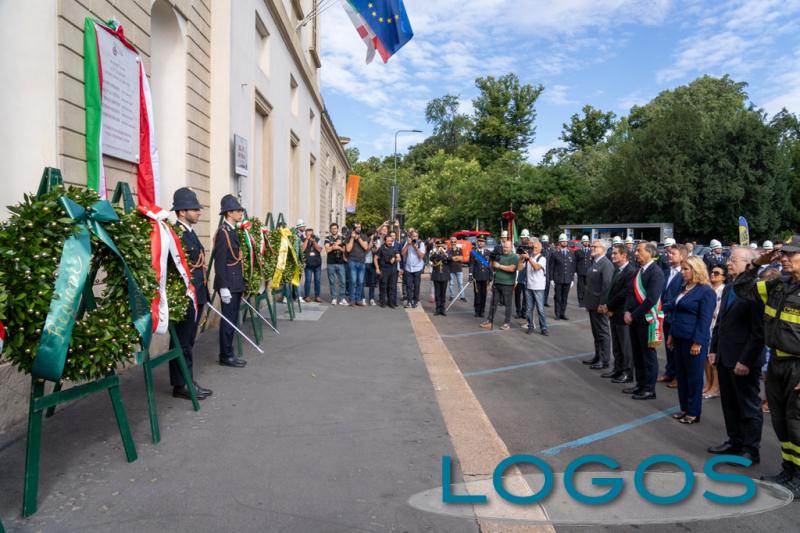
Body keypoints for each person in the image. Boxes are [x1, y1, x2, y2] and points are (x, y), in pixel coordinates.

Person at [734, 236, 800, 496]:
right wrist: (757, 262)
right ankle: (789, 471)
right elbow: (742, 289)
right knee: (781, 422)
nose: (783, 258)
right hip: (777, 362)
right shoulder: (778, 285)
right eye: (781, 254)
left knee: (796, 423)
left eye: (790, 254)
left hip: (798, 365)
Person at [707, 248, 764, 463]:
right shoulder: (731, 287)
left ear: (749, 264)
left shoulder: (756, 290)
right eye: (729, 259)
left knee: (748, 405)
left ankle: (750, 449)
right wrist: (714, 349)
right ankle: (734, 441)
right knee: (729, 403)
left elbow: (758, 332)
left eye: (733, 260)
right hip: (725, 356)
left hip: (743, 360)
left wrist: (746, 360)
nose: (728, 263)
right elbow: (721, 322)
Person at [169, 187, 212, 400]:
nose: (199, 212)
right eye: (194, 209)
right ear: (182, 211)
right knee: (182, 341)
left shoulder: (189, 231)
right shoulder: (176, 232)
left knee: (188, 341)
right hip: (187, 295)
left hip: (198, 293)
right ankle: (182, 384)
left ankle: (185, 379)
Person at [667, 256, 716, 423]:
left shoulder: (706, 291)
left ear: (696, 270)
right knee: (682, 375)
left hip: (693, 341)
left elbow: (705, 319)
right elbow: (674, 309)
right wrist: (672, 334)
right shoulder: (684, 287)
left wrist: (698, 342)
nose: (682, 272)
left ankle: (693, 412)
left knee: (694, 378)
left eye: (686, 269)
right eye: (682, 269)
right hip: (679, 337)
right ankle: (684, 408)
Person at [623, 242, 665, 400]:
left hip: (646, 320)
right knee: (637, 354)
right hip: (634, 319)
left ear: (649, 253)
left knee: (648, 356)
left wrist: (634, 315)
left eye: (639, 251)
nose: (635, 253)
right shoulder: (639, 271)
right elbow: (631, 293)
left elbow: (651, 299)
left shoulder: (656, 272)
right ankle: (640, 384)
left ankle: (649, 388)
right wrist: (627, 310)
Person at [213, 194, 247, 368]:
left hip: (236, 282)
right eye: (237, 210)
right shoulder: (223, 232)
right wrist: (223, 286)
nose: (241, 212)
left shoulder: (232, 231)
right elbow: (220, 262)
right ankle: (226, 355)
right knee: (228, 320)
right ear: (228, 213)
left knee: (232, 319)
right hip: (229, 284)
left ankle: (228, 352)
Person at [600, 244, 636, 383]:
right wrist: (607, 306)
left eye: (615, 253)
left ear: (624, 255)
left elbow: (624, 294)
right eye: (612, 253)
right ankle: (618, 369)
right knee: (617, 344)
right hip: (614, 312)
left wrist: (609, 306)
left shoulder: (630, 271)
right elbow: (611, 290)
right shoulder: (618, 270)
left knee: (625, 345)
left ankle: (627, 372)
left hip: (622, 313)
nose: (612, 255)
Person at [658, 243, 687, 388]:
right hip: (666, 315)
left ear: (682, 256)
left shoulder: (684, 274)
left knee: (677, 348)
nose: (669, 255)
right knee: (669, 346)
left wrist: (666, 306)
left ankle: (678, 376)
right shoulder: (667, 271)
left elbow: (680, 295)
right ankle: (669, 372)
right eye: (669, 253)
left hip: (676, 315)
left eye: (673, 254)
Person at [582, 239, 614, 369]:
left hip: (599, 305)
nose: (592, 248)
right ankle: (598, 356)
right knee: (596, 332)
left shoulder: (606, 264)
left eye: (596, 246)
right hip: (592, 303)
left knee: (602, 332)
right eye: (592, 246)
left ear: (604, 249)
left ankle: (604, 359)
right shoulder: (595, 262)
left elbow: (607, 286)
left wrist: (603, 304)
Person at [481, 240, 518, 330]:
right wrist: (491, 260)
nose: (505, 249)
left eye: (507, 247)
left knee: (508, 304)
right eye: (504, 247)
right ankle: (490, 320)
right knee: (493, 303)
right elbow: (492, 267)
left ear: (511, 248)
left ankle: (507, 323)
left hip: (508, 284)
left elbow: (512, 269)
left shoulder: (514, 257)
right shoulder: (499, 256)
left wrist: (499, 266)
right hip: (497, 282)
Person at [704, 262, 727, 398]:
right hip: (706, 326)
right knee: (705, 359)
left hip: (716, 328)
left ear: (723, 277)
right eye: (712, 272)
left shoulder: (724, 290)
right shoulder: (708, 288)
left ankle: (715, 387)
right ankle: (708, 384)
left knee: (713, 359)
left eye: (717, 273)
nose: (713, 274)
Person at [518, 238, 548, 335]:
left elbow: (536, 267)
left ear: (540, 249)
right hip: (529, 287)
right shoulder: (528, 257)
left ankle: (544, 328)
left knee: (541, 309)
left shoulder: (542, 258)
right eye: (532, 247)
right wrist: (521, 258)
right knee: (529, 309)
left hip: (539, 288)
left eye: (535, 248)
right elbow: (519, 268)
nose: (533, 249)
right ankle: (530, 326)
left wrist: (528, 258)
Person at [550, 234, 576, 320]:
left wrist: (572, 279)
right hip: (558, 279)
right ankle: (557, 314)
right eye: (563, 241)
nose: (564, 242)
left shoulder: (571, 253)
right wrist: (551, 279)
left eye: (565, 241)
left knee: (565, 298)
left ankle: (562, 313)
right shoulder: (555, 254)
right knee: (558, 297)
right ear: (560, 242)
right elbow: (551, 267)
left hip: (567, 279)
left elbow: (572, 267)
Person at [345, 222, 369, 306]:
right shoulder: (349, 236)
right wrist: (352, 238)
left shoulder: (364, 236)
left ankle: (358, 299)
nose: (359, 228)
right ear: (354, 228)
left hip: (361, 261)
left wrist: (358, 239)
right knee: (353, 281)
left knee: (361, 281)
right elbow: (348, 249)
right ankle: (352, 299)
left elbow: (366, 247)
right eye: (357, 227)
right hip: (352, 261)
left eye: (360, 227)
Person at [469, 235, 493, 318]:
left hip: (485, 276)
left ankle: (482, 310)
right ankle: (477, 310)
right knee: (477, 294)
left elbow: (489, 265)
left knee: (484, 294)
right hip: (477, 276)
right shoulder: (473, 252)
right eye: (479, 241)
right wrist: (470, 275)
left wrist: (491, 275)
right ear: (477, 242)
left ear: (485, 243)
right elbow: (471, 264)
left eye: (482, 241)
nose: (480, 243)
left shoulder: (488, 253)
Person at [402, 228, 426, 308]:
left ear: (418, 236)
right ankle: (409, 301)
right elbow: (402, 253)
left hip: (417, 268)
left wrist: (416, 248)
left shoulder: (421, 243)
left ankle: (415, 301)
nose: (414, 238)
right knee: (408, 285)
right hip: (409, 267)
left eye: (416, 236)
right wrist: (408, 245)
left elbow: (421, 256)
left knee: (416, 285)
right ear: (411, 236)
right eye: (413, 236)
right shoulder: (408, 242)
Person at [375, 233, 400, 308]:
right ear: (385, 241)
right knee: (383, 286)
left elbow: (399, 258)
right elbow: (375, 258)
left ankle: (391, 302)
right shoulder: (381, 248)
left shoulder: (394, 248)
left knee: (392, 287)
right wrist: (377, 268)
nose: (390, 242)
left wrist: (395, 259)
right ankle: (383, 302)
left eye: (391, 241)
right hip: (384, 270)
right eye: (388, 241)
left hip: (393, 270)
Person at [325, 223, 347, 305]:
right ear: (330, 230)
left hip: (340, 262)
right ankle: (334, 298)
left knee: (343, 281)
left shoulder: (342, 238)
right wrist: (335, 245)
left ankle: (342, 298)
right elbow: (327, 250)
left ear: (337, 229)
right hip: (330, 262)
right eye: (332, 228)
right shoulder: (327, 238)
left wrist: (338, 247)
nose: (334, 230)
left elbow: (345, 250)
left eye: (335, 228)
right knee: (332, 281)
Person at [514, 230, 532, 318]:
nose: (523, 239)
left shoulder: (531, 248)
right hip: (519, 274)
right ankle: (518, 311)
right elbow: (516, 260)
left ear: (527, 238)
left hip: (527, 275)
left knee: (526, 295)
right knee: (517, 294)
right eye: (522, 238)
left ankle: (524, 311)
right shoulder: (519, 248)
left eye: (524, 238)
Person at [429, 240, 450, 316]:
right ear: (436, 246)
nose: (440, 247)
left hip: (445, 275)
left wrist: (443, 252)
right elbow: (431, 258)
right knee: (437, 293)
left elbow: (449, 259)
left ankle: (442, 308)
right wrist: (438, 252)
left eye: (441, 246)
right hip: (436, 275)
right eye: (438, 246)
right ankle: (437, 308)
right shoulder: (433, 252)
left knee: (443, 293)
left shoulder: (447, 252)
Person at [301, 228, 322, 303]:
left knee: (317, 280)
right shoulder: (303, 240)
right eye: (308, 234)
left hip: (317, 264)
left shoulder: (317, 239)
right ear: (306, 234)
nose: (310, 236)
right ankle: (307, 296)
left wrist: (314, 242)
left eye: (311, 234)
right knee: (308, 281)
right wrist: (307, 240)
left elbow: (319, 250)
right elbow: (302, 250)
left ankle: (317, 296)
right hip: (308, 264)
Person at [574, 235, 593, 307]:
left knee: (587, 287)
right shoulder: (578, 251)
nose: (586, 242)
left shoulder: (591, 251)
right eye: (584, 241)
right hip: (580, 271)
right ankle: (580, 301)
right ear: (582, 242)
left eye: (587, 241)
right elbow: (575, 261)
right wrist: (575, 271)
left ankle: (586, 300)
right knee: (580, 287)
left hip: (589, 272)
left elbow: (593, 261)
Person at [447, 237, 466, 302]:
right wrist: (455, 258)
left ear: (456, 242)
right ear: (450, 242)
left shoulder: (460, 249)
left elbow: (461, 258)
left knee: (460, 283)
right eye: (452, 242)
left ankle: (462, 296)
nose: (453, 243)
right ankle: (452, 296)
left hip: (459, 269)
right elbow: (449, 258)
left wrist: (453, 258)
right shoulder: (448, 250)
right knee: (451, 284)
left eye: (454, 242)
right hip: (451, 269)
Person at [364, 229, 378, 306]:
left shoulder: (376, 242)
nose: (374, 237)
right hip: (365, 263)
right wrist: (370, 244)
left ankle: (371, 298)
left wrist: (375, 245)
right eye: (373, 235)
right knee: (362, 282)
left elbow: (377, 252)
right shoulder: (365, 241)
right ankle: (362, 298)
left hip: (372, 264)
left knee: (372, 283)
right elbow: (365, 251)